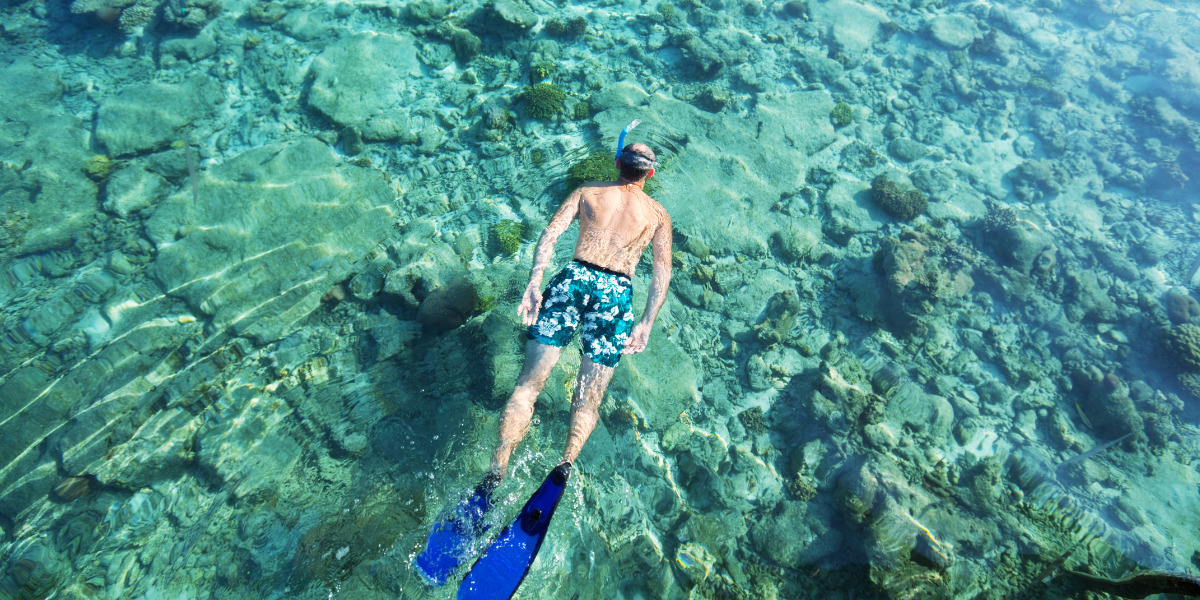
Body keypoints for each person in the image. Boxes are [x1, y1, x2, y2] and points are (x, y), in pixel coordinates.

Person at [488, 140, 673, 482]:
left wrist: (534, 283)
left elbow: (549, 235)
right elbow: (662, 272)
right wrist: (646, 322)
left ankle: (497, 469)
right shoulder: (658, 215)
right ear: (649, 172)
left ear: (617, 163)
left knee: (528, 386)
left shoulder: (586, 192)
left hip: (573, 279)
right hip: (615, 295)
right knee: (588, 400)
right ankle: (564, 465)